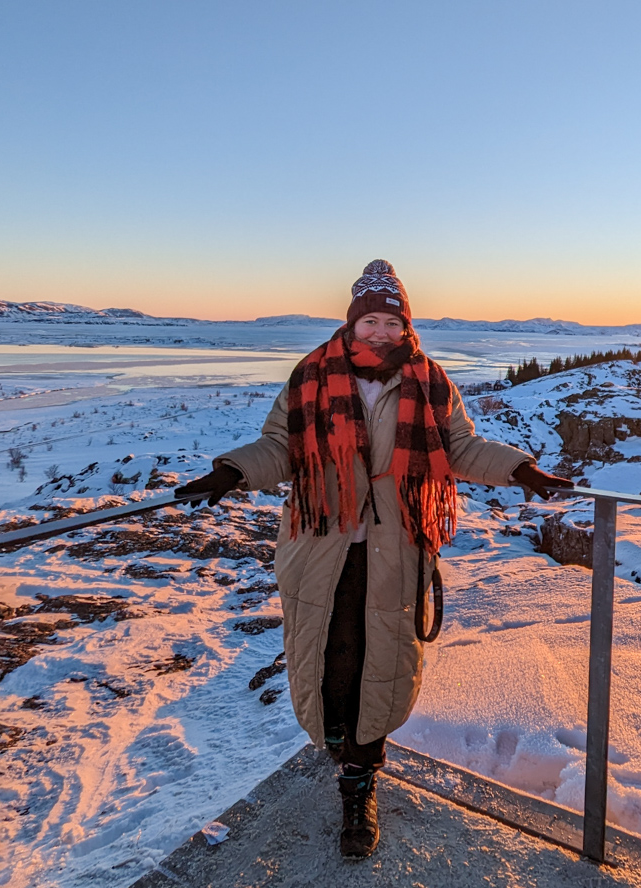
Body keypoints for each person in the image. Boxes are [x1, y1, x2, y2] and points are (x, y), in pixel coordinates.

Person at [175, 260, 573, 859]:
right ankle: (342, 759)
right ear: (353, 324)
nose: (381, 333)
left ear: (404, 325)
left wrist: (519, 469)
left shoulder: (429, 379)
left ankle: (360, 787)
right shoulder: (311, 373)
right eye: (371, 322)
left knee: (379, 665)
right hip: (320, 550)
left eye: (392, 322)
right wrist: (234, 469)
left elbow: (460, 446)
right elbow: (281, 446)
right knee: (328, 662)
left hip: (394, 552)